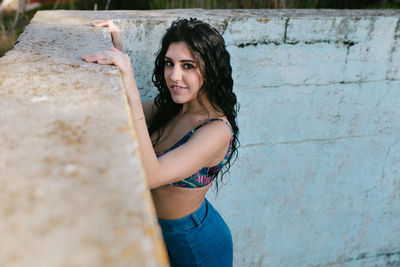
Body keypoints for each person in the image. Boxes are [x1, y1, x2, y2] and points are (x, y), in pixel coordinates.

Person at [82, 18, 239, 267]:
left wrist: (130, 79)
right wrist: (117, 47)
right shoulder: (173, 109)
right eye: (169, 63)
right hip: (157, 231)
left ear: (210, 68)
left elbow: (150, 176)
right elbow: (122, 111)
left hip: (195, 241)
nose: (174, 76)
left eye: (188, 66)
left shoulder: (216, 130)